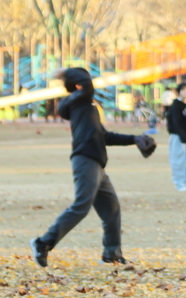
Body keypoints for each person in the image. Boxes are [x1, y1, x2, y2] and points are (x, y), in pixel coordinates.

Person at [31, 68, 141, 268]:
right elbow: (86, 88)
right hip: (85, 161)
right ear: (78, 84)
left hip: (96, 164)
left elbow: (104, 136)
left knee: (111, 209)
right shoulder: (77, 102)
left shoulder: (87, 106)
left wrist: (135, 139)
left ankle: (112, 255)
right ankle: (43, 243)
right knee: (81, 206)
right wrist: (73, 76)